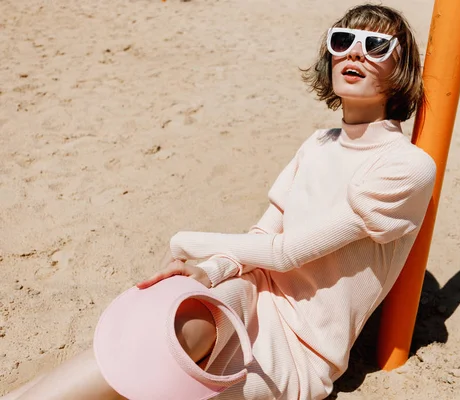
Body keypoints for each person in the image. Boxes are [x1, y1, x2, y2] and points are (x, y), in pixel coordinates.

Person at [1, 4, 436, 400]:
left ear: (402, 67)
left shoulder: (406, 167)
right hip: (252, 287)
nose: (355, 54)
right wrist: (210, 270)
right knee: (160, 328)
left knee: (164, 370)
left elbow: (287, 253)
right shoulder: (318, 143)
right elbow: (266, 234)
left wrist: (188, 241)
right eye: (343, 41)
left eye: (376, 45)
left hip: (299, 344)